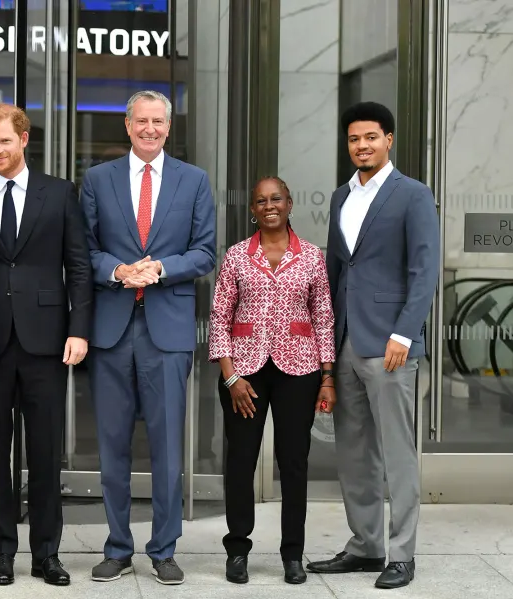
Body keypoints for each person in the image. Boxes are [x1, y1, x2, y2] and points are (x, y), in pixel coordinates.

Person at [0, 103, 93, 587]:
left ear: (24, 139)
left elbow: (78, 266)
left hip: (47, 342)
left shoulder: (59, 193)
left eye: (4, 141)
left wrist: (79, 328)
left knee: (46, 453)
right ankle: (1, 552)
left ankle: (47, 554)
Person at [81, 90, 216, 586]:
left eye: (159, 121)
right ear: (127, 124)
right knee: (112, 444)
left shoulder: (194, 181)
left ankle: (164, 548)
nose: (150, 129)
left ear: (169, 126)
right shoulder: (97, 180)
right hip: (113, 329)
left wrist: (160, 268)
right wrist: (118, 270)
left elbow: (205, 253)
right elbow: (85, 251)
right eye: (142, 121)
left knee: (166, 445)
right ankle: (117, 547)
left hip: (167, 330)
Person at [306, 102, 440, 589]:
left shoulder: (413, 195)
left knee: (398, 452)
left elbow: (424, 272)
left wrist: (404, 334)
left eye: (370, 137)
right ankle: (365, 546)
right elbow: (336, 273)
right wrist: (326, 343)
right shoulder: (343, 196)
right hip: (345, 342)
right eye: (353, 139)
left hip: (389, 345)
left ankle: (401, 554)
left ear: (389, 139)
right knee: (354, 452)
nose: (361, 146)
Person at [208, 176, 336, 586]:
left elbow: (324, 318)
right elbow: (219, 317)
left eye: (276, 198)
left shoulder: (313, 257)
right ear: (252, 209)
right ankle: (238, 550)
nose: (269, 206)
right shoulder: (235, 257)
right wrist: (231, 378)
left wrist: (328, 377)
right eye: (260, 200)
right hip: (244, 373)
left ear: (289, 203)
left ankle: (293, 554)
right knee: (241, 461)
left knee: (294, 463)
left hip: (299, 371)